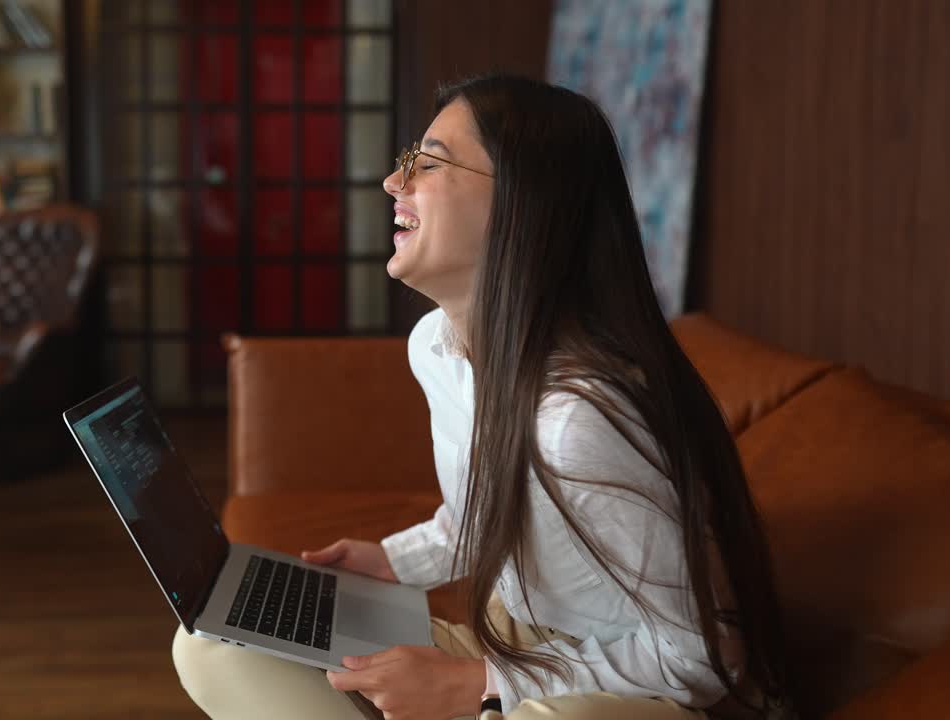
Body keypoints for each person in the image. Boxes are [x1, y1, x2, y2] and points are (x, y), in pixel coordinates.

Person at [172, 73, 793, 720]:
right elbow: (488, 512)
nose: (394, 183)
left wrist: (474, 683)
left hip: (639, 690)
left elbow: (700, 655)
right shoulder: (436, 350)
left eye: (428, 163)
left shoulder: (579, 422)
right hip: (520, 650)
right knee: (213, 643)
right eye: (404, 161)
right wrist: (392, 562)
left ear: (524, 203)